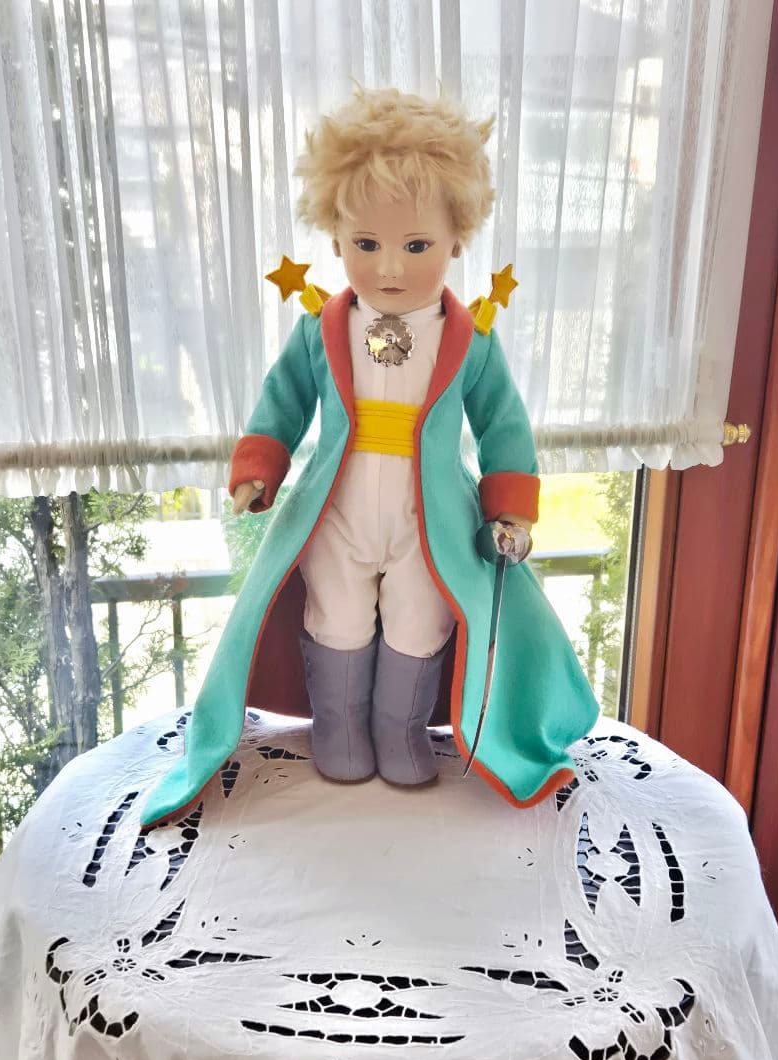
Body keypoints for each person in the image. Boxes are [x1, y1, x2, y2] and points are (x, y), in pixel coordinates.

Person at [140, 87, 598, 830]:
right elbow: (283, 400)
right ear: (335, 239)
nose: (388, 268)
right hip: (337, 512)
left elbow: (503, 426)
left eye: (416, 246)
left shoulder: (471, 340)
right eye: (366, 244)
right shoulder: (320, 329)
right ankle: (341, 732)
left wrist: (509, 508)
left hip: (432, 521)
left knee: (421, 619)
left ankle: (400, 733)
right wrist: (260, 467)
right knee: (337, 614)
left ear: (457, 240)